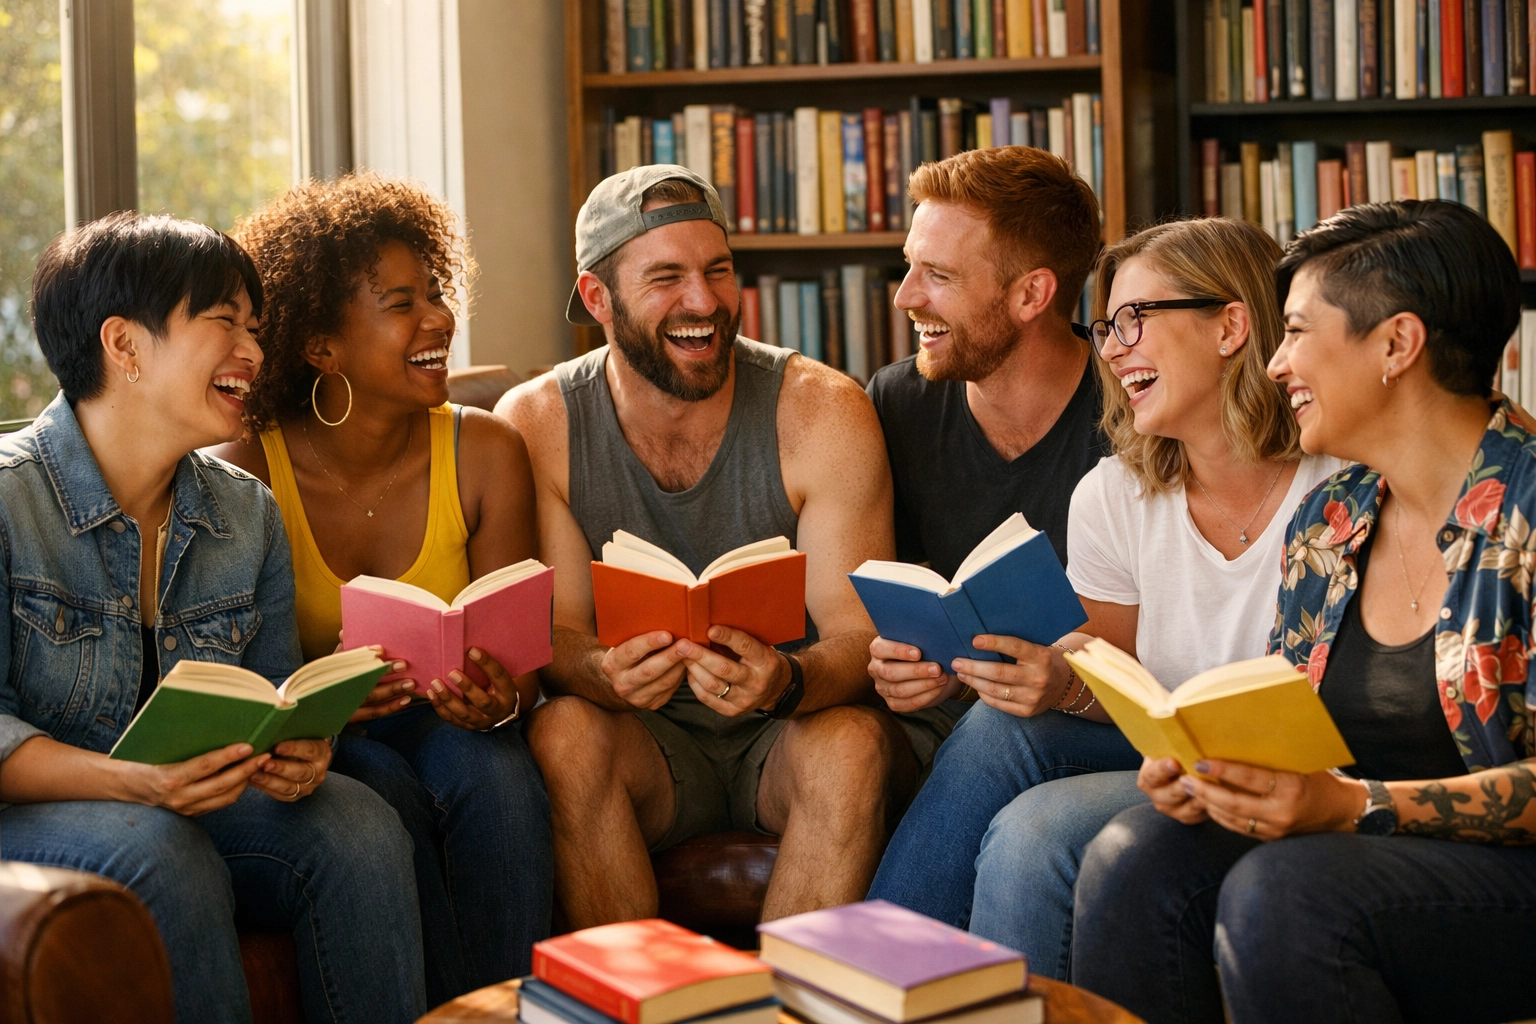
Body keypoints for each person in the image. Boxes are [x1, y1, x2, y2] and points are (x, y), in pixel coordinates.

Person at [1072, 201, 1536, 1024]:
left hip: (1507, 872)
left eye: (1295, 332)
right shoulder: (1333, 519)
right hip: (1356, 847)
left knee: (1286, 893)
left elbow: (1345, 804)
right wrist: (1212, 771)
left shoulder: (1528, 507)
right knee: (1135, 858)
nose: (1276, 361)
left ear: (1397, 344)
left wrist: (1355, 808)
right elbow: (1292, 722)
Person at [0, 213, 425, 1023]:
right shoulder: (9, 501)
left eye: (255, 327)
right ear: (123, 345)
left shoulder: (245, 513)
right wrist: (135, 784)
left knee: (356, 825)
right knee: (159, 852)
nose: (256, 352)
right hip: (35, 818)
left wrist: (302, 749)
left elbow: (268, 694)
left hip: (180, 801)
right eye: (224, 322)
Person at [497, 164, 946, 927]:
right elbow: (557, 635)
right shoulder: (538, 422)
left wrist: (785, 681)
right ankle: (631, 1005)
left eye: (719, 271)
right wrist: (604, 672)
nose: (703, 302)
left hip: (789, 733)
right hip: (649, 742)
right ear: (598, 297)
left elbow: (857, 634)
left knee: (851, 746)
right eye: (666, 277)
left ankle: (797, 1012)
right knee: (565, 732)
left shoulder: (821, 410)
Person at [212, 173, 551, 1001]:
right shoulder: (247, 470)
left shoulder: (487, 449)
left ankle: (513, 1012)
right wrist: (321, 696)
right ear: (323, 346)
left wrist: (501, 696)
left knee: (496, 773)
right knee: (382, 786)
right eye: (403, 303)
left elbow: (527, 663)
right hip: (338, 736)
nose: (439, 319)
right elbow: (248, 674)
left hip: (457, 719)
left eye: (437, 292)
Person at [863, 145, 1111, 922]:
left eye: (938, 275)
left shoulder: (1135, 413)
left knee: (1002, 726)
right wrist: (898, 661)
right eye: (910, 267)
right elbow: (897, 592)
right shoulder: (897, 402)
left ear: (1033, 292)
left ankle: (868, 973)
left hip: (1086, 717)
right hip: (953, 711)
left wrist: (1063, 680)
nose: (906, 296)